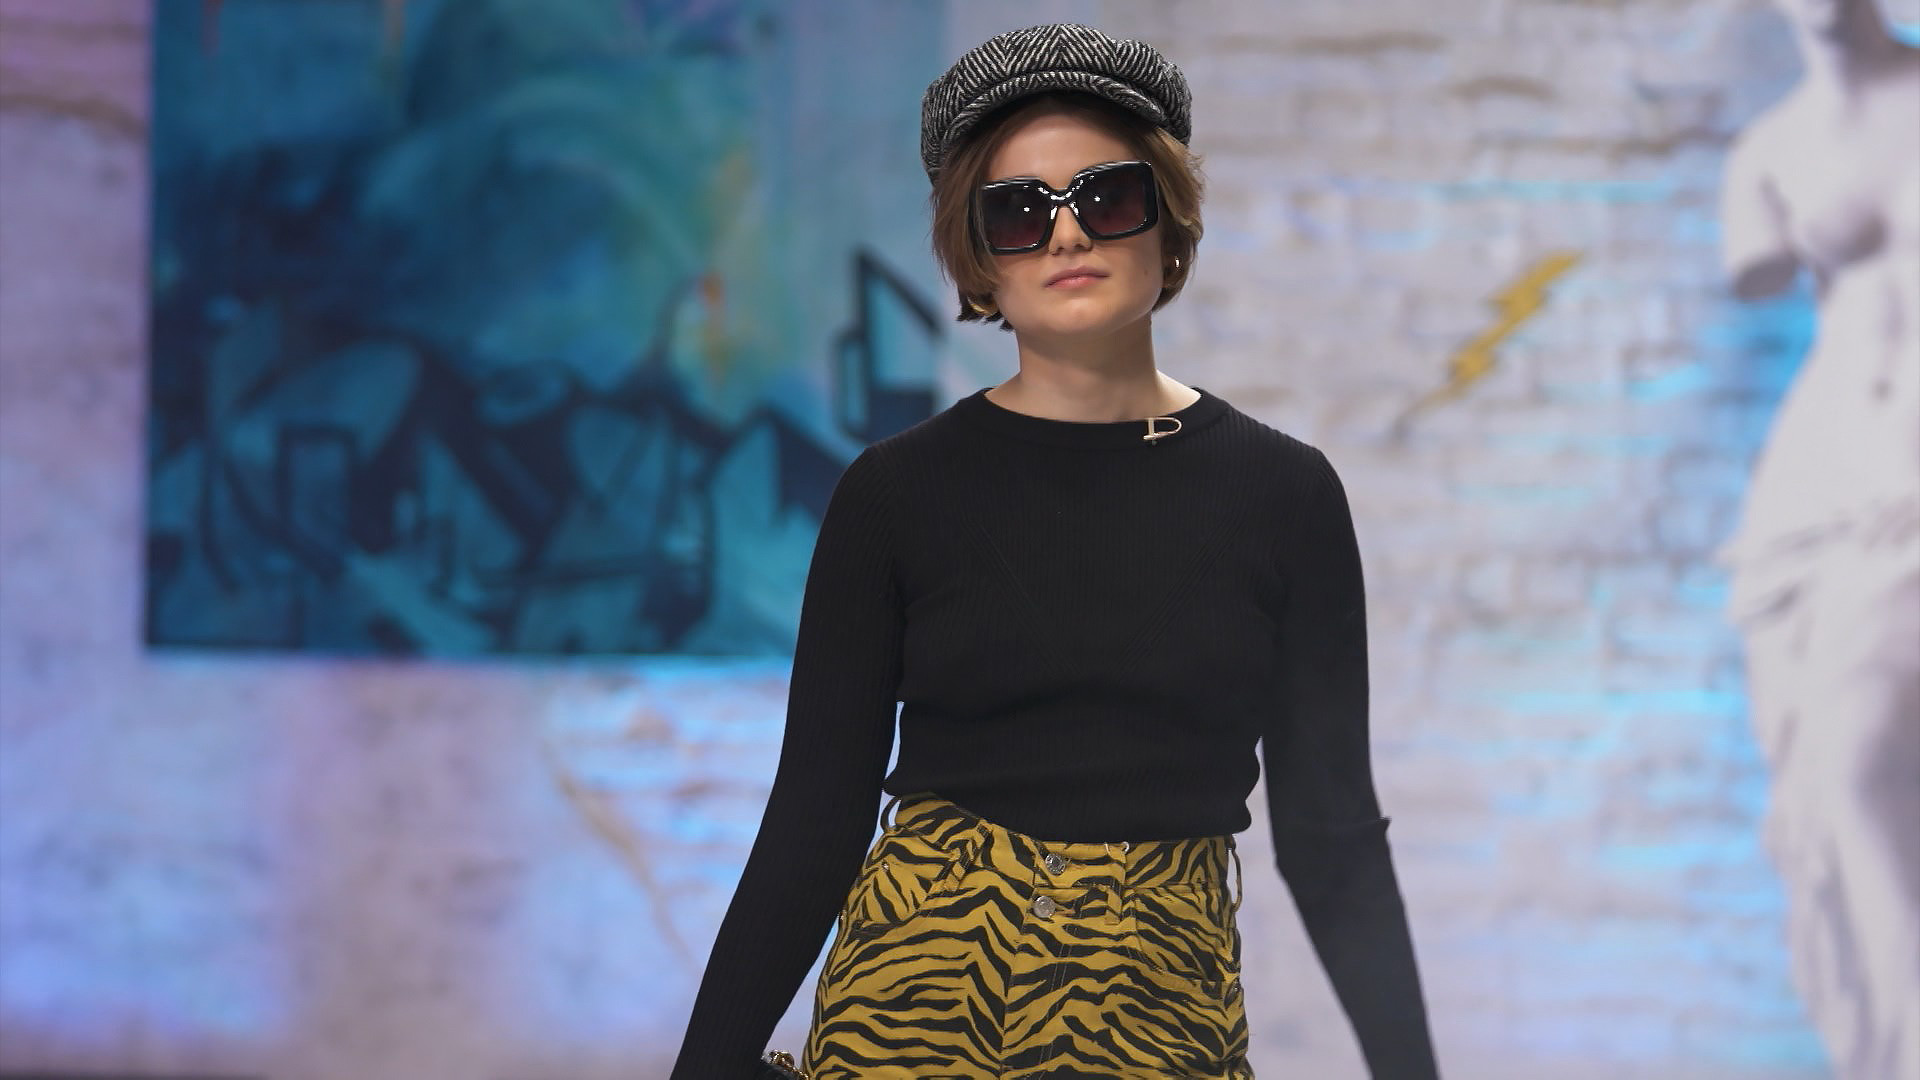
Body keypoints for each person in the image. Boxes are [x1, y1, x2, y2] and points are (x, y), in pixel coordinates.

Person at [671, 23, 1439, 1079]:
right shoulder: (895, 494)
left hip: (1160, 1014)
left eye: (1107, 197)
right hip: (911, 1010)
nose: (1067, 233)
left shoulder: (1283, 494)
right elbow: (814, 817)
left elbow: (1330, 833)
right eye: (1020, 213)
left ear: (1169, 224)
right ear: (980, 259)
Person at [1715, 0, 1920, 1075]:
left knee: (1858, 760)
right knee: (1828, 784)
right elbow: (1776, 283)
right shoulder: (1768, 152)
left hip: (1908, 479)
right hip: (1824, 481)